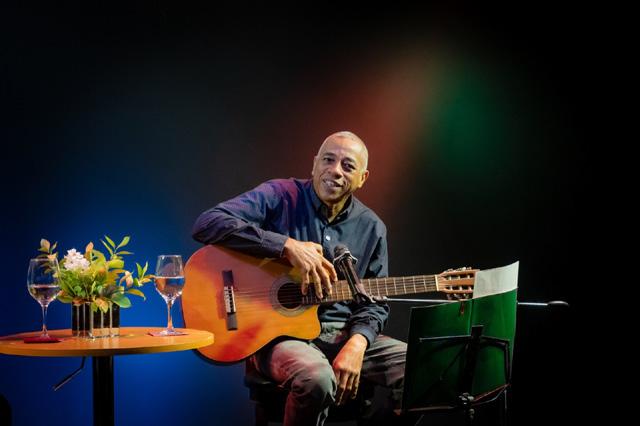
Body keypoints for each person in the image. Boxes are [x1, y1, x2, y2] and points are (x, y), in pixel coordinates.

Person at [192, 131, 407, 426]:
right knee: (317, 377)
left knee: (424, 367)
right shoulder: (280, 195)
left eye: (348, 166)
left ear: (362, 178)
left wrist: (358, 343)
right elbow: (207, 223)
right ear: (315, 164)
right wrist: (285, 246)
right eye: (328, 160)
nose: (335, 170)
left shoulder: (372, 227)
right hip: (279, 338)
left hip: (342, 334)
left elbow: (374, 303)